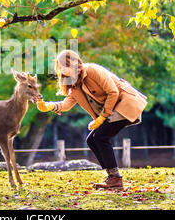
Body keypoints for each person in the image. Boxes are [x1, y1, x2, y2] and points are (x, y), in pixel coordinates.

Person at [37, 50, 148, 190]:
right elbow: (66, 104)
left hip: (124, 103)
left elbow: (113, 92)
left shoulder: (92, 70)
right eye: (60, 67)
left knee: (100, 137)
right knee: (92, 139)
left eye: (64, 65)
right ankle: (112, 177)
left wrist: (102, 117)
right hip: (111, 110)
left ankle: (115, 179)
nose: (62, 69)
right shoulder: (74, 86)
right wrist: (48, 106)